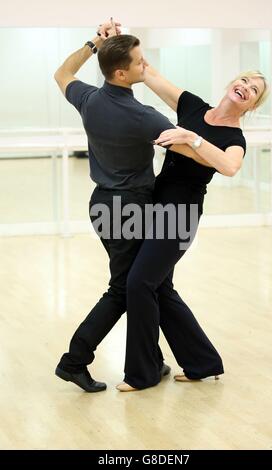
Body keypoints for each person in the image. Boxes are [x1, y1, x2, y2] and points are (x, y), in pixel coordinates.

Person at [53, 23, 199, 392]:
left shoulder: (88, 98)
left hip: (103, 205)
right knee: (125, 288)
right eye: (138, 62)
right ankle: (75, 360)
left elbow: (62, 73)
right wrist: (207, 140)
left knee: (144, 285)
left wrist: (93, 43)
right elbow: (188, 150)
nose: (143, 64)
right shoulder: (143, 116)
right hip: (130, 210)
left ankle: (152, 361)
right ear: (121, 73)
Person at [117, 67, 269, 391]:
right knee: (159, 287)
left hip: (181, 213)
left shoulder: (233, 138)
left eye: (253, 90)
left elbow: (229, 166)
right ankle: (202, 362)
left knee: (140, 282)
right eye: (244, 80)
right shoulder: (193, 107)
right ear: (232, 82)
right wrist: (114, 41)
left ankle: (142, 373)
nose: (245, 87)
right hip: (155, 202)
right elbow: (148, 74)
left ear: (252, 106)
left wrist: (192, 138)